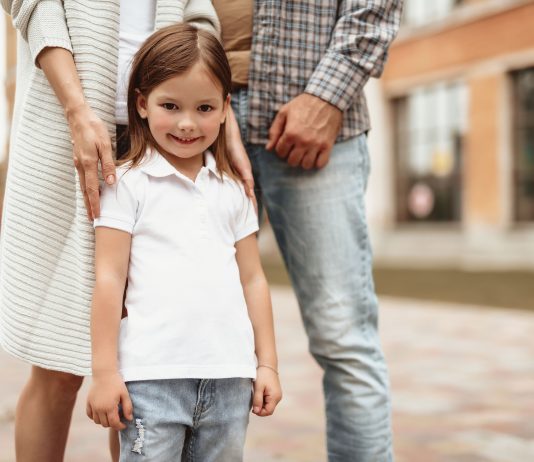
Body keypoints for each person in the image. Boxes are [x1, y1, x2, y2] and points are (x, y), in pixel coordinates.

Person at [0, 1, 255, 461]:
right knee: (56, 365)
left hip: (168, 135)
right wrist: (77, 109)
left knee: (144, 365)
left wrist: (222, 124)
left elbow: (199, 19)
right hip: (67, 125)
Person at [212, 1, 404, 461]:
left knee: (344, 339)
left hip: (317, 123)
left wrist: (328, 95)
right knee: (184, 335)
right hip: (198, 121)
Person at [85, 23, 282, 461]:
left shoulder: (233, 190)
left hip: (231, 382)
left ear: (226, 109)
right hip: (151, 382)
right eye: (170, 106)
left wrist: (266, 362)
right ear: (141, 104)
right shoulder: (126, 184)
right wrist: (104, 372)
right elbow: (108, 278)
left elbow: (254, 280)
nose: (188, 123)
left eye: (205, 107)